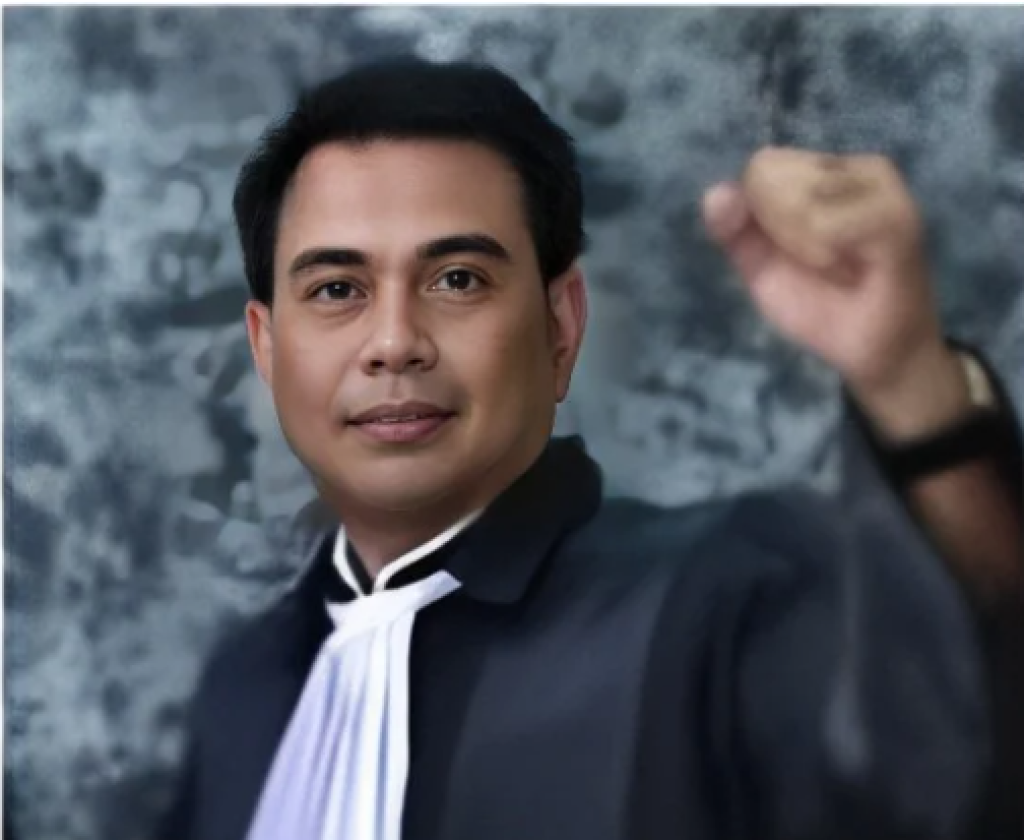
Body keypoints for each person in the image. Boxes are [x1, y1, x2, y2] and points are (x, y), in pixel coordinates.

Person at [159, 58, 1023, 840]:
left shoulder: (728, 593)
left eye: (457, 279)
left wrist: (910, 385)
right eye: (337, 289)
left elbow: (944, 771)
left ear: (561, 326)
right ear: (266, 346)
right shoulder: (245, 688)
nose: (393, 342)